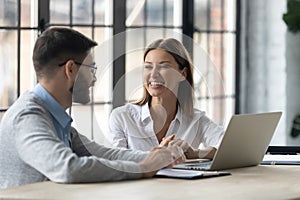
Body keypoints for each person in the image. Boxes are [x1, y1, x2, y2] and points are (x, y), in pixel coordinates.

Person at [0, 28, 184, 189]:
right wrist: (143, 168)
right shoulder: (28, 117)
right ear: (70, 69)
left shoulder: (53, 119)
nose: (94, 80)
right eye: (92, 69)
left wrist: (157, 156)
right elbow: (68, 168)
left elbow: (106, 154)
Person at [109, 38, 224, 160]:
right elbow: (116, 161)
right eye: (148, 67)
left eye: (164, 67)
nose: (153, 74)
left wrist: (195, 153)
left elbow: (228, 148)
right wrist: (157, 155)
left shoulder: (196, 120)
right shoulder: (122, 117)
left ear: (182, 74)